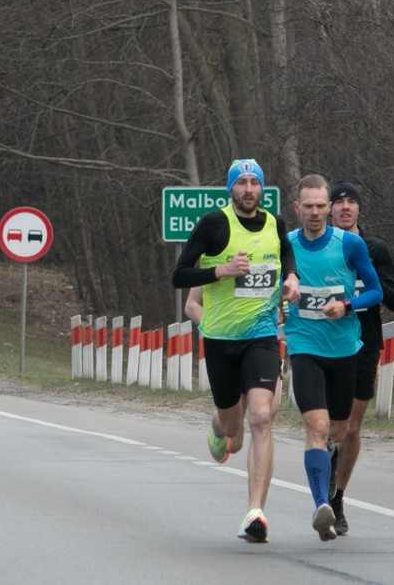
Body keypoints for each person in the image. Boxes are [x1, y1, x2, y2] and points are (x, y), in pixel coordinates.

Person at [170, 159, 300, 543]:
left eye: (254, 183)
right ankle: (217, 426)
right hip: (221, 340)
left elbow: (286, 257)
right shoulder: (214, 224)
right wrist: (221, 272)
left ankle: (255, 513)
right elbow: (179, 275)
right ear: (231, 189)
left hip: (261, 337)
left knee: (261, 417)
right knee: (233, 428)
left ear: (262, 189)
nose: (248, 189)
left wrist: (292, 279)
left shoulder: (276, 224)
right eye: (241, 183)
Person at [283, 174, 382, 542]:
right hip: (304, 347)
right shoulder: (287, 246)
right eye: (307, 206)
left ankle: (324, 469)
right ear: (297, 208)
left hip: (343, 350)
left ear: (329, 207)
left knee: (338, 431)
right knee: (318, 427)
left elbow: (376, 290)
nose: (314, 212)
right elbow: (271, 291)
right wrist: (281, 300)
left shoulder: (350, 245)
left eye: (320, 206)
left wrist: (347, 305)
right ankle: (321, 505)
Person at [327, 181, 394, 535]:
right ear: (328, 209)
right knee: (328, 426)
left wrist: (366, 278)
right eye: (338, 202)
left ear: (359, 210)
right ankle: (326, 464)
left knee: (352, 429)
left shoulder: (374, 249)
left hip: (364, 343)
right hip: (323, 343)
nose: (345, 207)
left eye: (351, 202)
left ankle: (338, 498)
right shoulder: (318, 247)